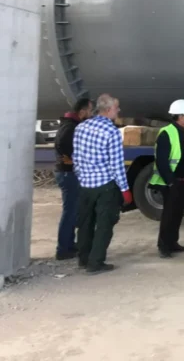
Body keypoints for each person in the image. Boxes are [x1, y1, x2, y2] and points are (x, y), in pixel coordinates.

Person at [72, 94, 132, 274]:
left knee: (85, 223)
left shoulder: (81, 127)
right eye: (116, 108)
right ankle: (95, 262)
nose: (118, 111)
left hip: (85, 185)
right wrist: (125, 189)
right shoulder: (111, 132)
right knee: (104, 225)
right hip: (105, 186)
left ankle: (83, 259)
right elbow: (116, 165)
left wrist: (82, 177)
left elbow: (76, 157)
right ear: (108, 110)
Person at [150, 99, 184, 258]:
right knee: (169, 214)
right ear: (181, 116)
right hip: (172, 181)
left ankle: (173, 242)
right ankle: (163, 245)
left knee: (177, 213)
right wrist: (171, 181)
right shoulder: (167, 132)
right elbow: (161, 160)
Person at [53, 97, 93, 260]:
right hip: (68, 174)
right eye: (90, 111)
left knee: (72, 211)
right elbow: (62, 144)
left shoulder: (71, 124)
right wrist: (71, 159)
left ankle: (69, 244)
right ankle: (63, 249)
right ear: (82, 112)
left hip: (67, 173)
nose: (91, 114)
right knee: (70, 212)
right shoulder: (70, 127)